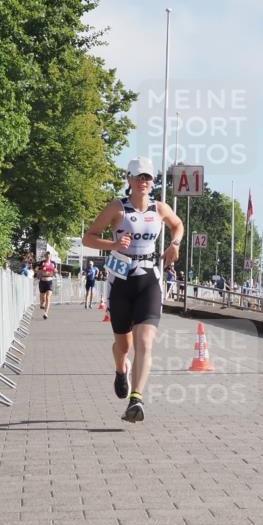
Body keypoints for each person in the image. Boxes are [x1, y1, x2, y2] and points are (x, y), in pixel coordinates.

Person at [82, 156, 183, 423]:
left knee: (145, 342)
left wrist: (175, 243)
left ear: (152, 182)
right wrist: (112, 245)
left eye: (147, 177)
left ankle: (136, 400)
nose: (143, 182)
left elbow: (178, 224)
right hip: (121, 281)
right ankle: (119, 369)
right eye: (138, 177)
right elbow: (88, 237)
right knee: (123, 345)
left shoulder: (159, 208)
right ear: (129, 180)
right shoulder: (118, 208)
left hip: (148, 279)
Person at [37, 252, 56, 318]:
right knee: (43, 299)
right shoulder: (42, 263)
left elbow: (55, 271)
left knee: (48, 297)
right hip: (42, 281)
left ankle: (45, 313)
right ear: (45, 256)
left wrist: (55, 271)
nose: (48, 257)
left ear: (51, 257)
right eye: (47, 256)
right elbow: (37, 271)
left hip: (49, 281)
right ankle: (42, 304)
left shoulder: (53, 263)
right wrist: (42, 269)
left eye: (49, 256)